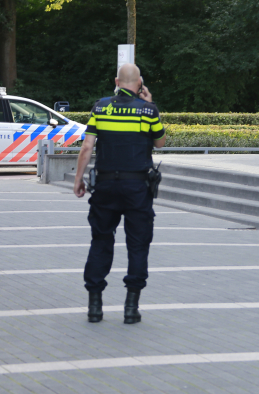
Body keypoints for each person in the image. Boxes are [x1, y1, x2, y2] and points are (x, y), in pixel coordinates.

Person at [73, 63, 166, 324]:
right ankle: (131, 307)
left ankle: (94, 306)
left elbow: (87, 147)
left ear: (116, 81)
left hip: (104, 187)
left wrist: (78, 180)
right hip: (137, 188)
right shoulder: (148, 110)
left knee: (101, 241)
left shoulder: (100, 107)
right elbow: (160, 142)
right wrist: (152, 105)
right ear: (140, 83)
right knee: (138, 244)